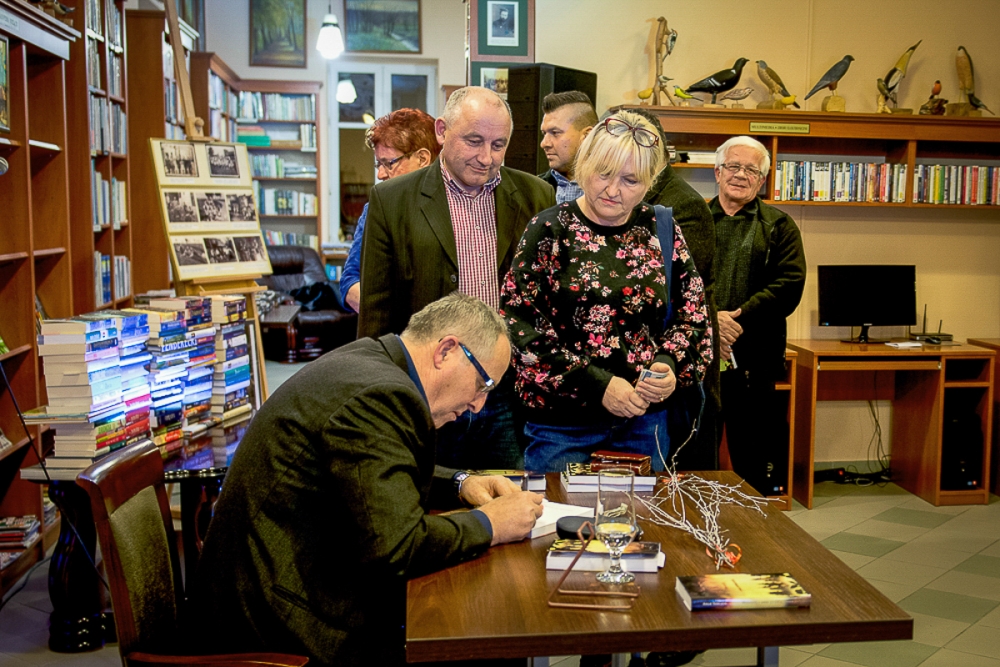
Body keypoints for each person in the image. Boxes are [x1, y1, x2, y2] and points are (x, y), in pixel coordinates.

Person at [193, 292, 545, 667]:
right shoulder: (382, 394)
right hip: (278, 626)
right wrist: (491, 524)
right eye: (483, 383)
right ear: (446, 351)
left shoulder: (372, 362)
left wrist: (460, 482)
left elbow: (374, 474)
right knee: (481, 639)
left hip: (273, 589)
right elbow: (396, 550)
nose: (479, 405)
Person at [500, 109, 712, 473]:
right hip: (561, 427)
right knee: (557, 511)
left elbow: (692, 317)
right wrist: (598, 385)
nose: (613, 191)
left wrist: (667, 365)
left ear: (650, 182)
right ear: (584, 166)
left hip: (644, 423)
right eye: (604, 173)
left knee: (642, 512)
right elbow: (520, 329)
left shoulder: (661, 228)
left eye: (630, 180)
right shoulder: (549, 230)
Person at [358, 86, 555, 470]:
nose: (487, 158)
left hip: (504, 392)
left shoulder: (536, 196)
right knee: (430, 492)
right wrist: (378, 398)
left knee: (507, 492)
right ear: (442, 131)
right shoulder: (392, 199)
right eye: (474, 141)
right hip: (428, 393)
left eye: (498, 145)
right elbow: (377, 314)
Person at [624, 106, 722, 473]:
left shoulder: (682, 205)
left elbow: (678, 295)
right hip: (635, 382)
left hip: (672, 367)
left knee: (682, 472)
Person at [710, 136, 806, 495]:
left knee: (752, 459)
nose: (740, 175)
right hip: (701, 360)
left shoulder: (780, 225)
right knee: (694, 455)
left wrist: (737, 319)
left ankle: (754, 523)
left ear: (762, 180)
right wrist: (712, 320)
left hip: (754, 363)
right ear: (717, 172)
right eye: (733, 166)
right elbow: (676, 281)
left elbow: (789, 285)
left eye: (751, 170)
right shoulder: (693, 221)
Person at [339, 108, 441, 313]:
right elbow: (350, 284)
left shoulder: (456, 208)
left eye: (388, 163)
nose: (380, 174)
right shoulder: (375, 210)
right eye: (378, 163)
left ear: (422, 159)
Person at [538, 91, 598, 204]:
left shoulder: (614, 191)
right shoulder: (532, 190)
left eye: (555, 133)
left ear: (587, 136)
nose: (544, 143)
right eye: (544, 133)